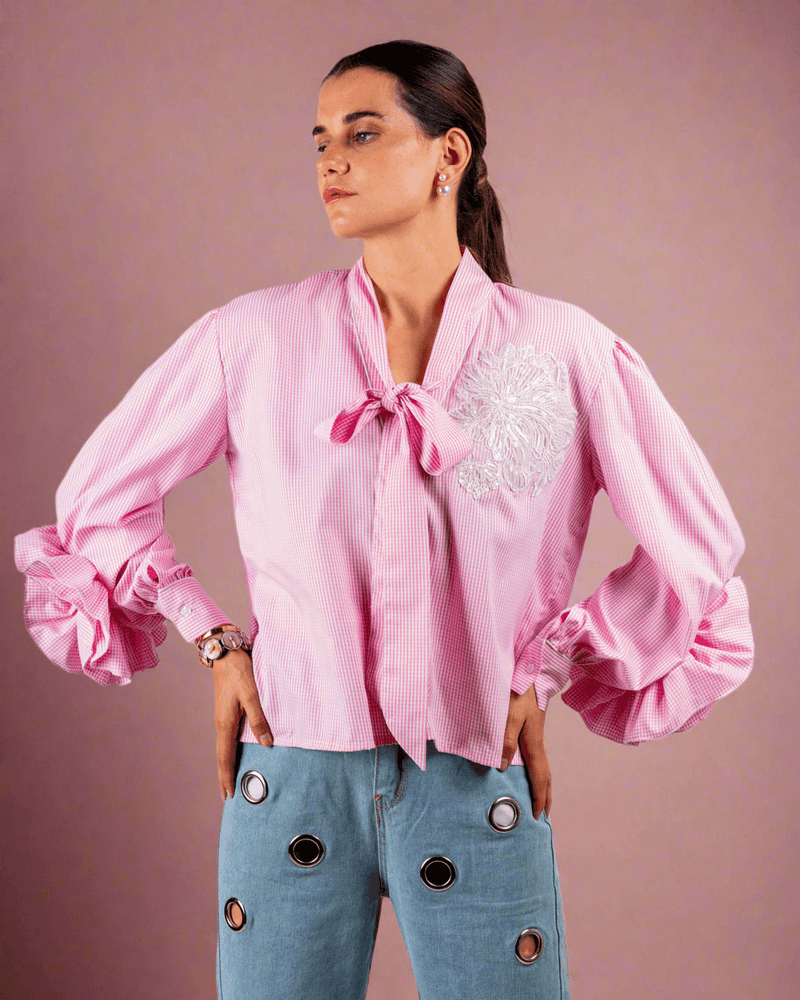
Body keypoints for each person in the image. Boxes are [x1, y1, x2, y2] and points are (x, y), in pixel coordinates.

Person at [13, 38, 754, 1000]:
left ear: (449, 156)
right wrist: (216, 640)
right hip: (291, 781)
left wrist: (548, 665)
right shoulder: (254, 338)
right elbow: (95, 501)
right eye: (320, 139)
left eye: (363, 133)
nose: (331, 160)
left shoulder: (566, 350)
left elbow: (699, 546)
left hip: (473, 776)